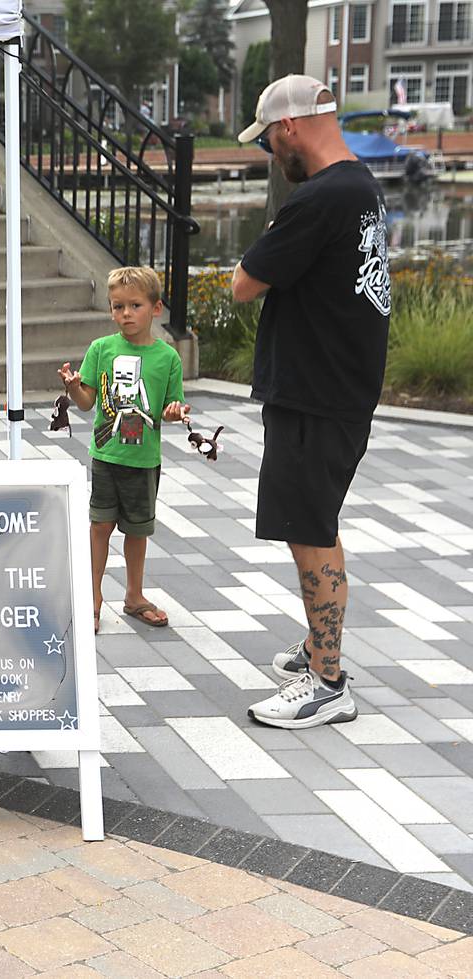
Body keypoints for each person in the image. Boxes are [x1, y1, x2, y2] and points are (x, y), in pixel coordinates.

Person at [232, 75, 389, 730]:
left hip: (315, 393)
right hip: (341, 389)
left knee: (309, 529)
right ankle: (317, 650)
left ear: (289, 127)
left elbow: (243, 284)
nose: (271, 152)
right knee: (316, 520)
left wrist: (271, 230)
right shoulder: (360, 186)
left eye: (269, 139)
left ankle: (328, 680)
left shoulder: (319, 199)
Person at [57, 266, 190, 635]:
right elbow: (86, 402)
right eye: (118, 307)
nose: (126, 314)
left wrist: (174, 412)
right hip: (106, 456)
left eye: (135, 305)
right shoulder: (101, 349)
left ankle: (134, 596)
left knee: (137, 529)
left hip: (144, 460)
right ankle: (92, 597)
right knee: (99, 525)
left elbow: (170, 408)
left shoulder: (168, 359)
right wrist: (72, 386)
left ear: (156, 308)